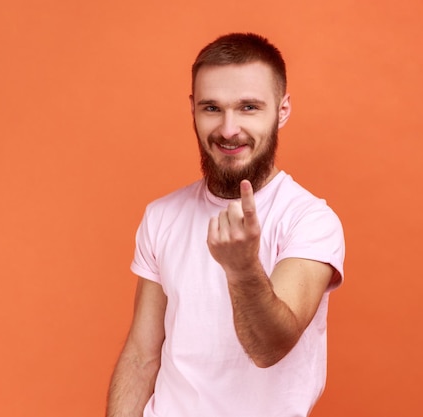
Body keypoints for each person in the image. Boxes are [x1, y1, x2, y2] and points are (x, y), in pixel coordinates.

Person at [106, 32, 345, 417]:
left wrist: (242, 268)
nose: (228, 129)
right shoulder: (162, 215)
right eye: (212, 108)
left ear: (282, 110)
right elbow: (141, 355)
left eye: (248, 107)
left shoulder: (310, 220)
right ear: (193, 109)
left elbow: (269, 348)